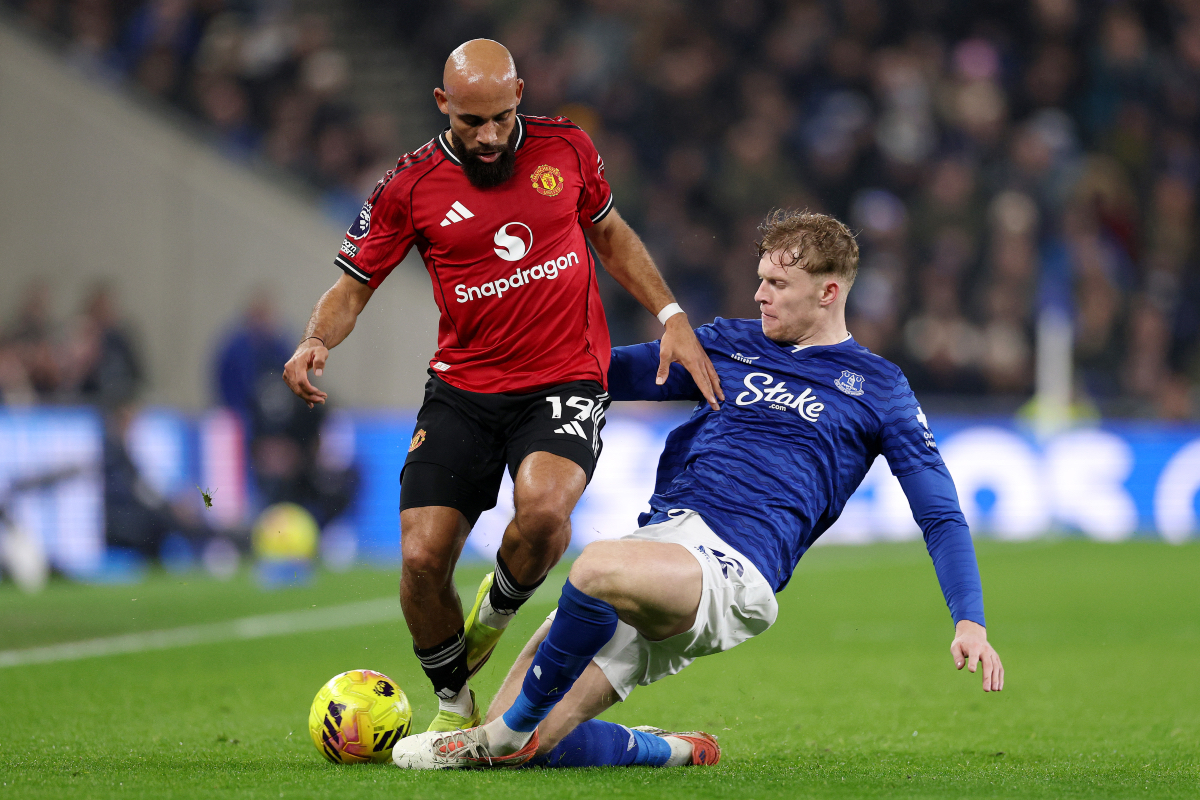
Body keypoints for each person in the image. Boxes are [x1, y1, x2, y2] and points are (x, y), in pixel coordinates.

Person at [391, 209, 1005, 770]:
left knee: (595, 568)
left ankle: (497, 734)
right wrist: (501, 358)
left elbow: (941, 514)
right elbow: (605, 371)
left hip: (734, 567)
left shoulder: (879, 387)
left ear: (829, 292)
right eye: (760, 278)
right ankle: (673, 749)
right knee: (527, 750)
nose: (759, 295)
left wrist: (969, 620)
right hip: (660, 547)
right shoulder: (729, 346)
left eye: (777, 285)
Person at [282, 39, 722, 732]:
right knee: (423, 557)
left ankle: (497, 608)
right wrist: (315, 338)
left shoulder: (569, 149)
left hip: (564, 379)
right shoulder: (409, 185)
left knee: (545, 512)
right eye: (469, 124)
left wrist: (670, 314)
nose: (487, 138)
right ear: (442, 106)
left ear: (519, 94)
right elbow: (352, 286)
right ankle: (454, 708)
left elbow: (610, 236)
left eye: (498, 119)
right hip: (463, 390)